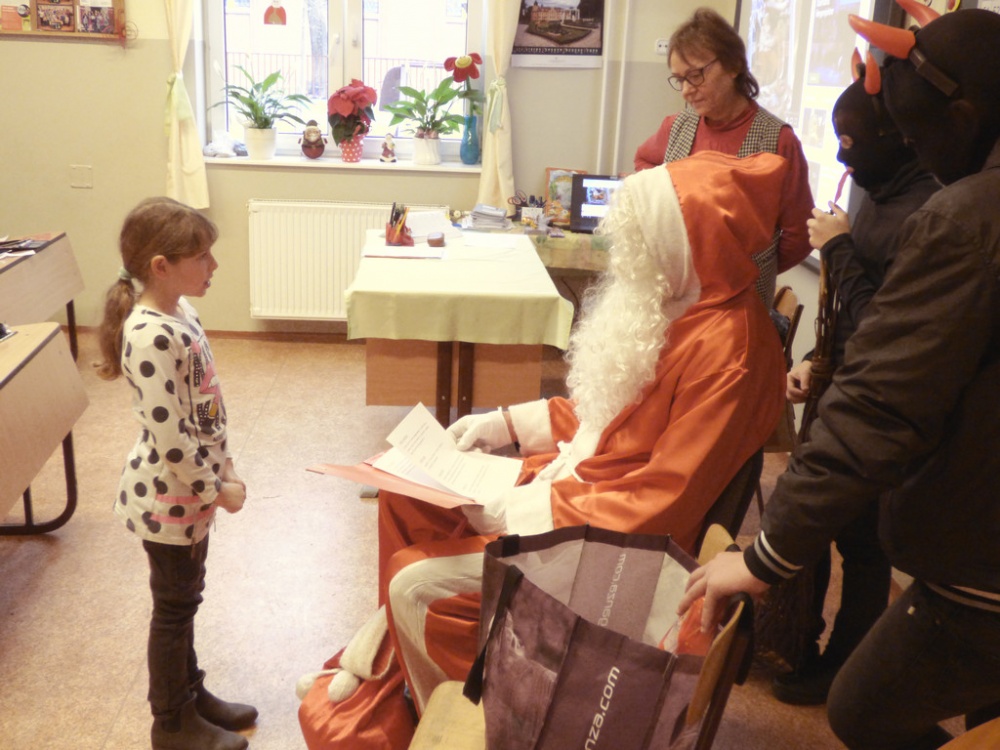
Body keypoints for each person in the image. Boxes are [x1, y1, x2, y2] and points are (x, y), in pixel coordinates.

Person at [310, 150, 791, 749]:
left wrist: (517, 511)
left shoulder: (730, 351)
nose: (626, 256)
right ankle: (403, 671)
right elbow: (607, 414)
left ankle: (469, 721)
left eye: (641, 239)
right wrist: (502, 424)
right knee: (405, 498)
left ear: (690, 241)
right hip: (582, 489)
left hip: (614, 543)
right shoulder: (681, 300)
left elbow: (661, 505)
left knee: (415, 585)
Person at [680, 7, 1000, 748]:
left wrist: (767, 553)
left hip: (980, 559)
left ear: (962, 117)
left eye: (918, 137)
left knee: (865, 707)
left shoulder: (964, 219)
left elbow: (882, 403)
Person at [769, 73, 940, 706]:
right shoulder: (877, 191)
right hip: (841, 389)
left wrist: (838, 249)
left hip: (877, 409)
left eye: (850, 142)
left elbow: (885, 330)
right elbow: (849, 313)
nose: (843, 158)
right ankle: (795, 640)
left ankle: (843, 666)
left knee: (863, 546)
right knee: (816, 527)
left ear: (898, 136)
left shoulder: (925, 213)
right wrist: (815, 358)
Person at [96, 197, 257, 750]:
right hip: (170, 497)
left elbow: (204, 403)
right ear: (161, 266)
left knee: (186, 597)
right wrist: (217, 489)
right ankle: (171, 722)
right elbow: (170, 438)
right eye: (202, 256)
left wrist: (226, 461)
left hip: (195, 491)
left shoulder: (182, 313)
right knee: (174, 608)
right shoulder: (150, 335)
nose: (214, 265)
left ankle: (190, 694)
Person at [634, 6, 815, 306]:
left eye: (696, 75)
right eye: (679, 79)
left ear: (733, 65)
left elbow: (799, 233)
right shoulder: (676, 127)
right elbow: (644, 163)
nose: (686, 91)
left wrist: (757, 267)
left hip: (740, 307)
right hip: (679, 300)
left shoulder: (777, 141)